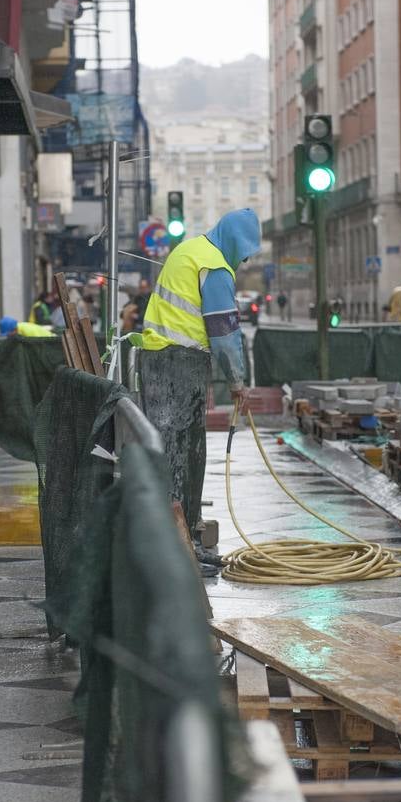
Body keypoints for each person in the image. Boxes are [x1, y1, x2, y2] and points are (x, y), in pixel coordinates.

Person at [138, 208, 260, 575]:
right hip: (178, 364)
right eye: (246, 251)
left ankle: (185, 539)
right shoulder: (215, 267)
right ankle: (176, 550)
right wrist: (237, 382)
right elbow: (225, 334)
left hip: (162, 359)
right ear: (236, 242)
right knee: (180, 456)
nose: (245, 259)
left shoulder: (189, 249)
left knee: (182, 453)